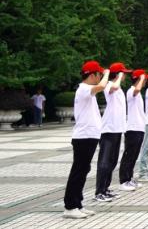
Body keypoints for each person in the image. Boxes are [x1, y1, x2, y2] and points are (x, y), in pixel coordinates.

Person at [63, 61, 109, 219]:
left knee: (83, 171)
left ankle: (77, 204)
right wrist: (107, 73)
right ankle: (70, 206)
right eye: (99, 74)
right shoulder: (83, 89)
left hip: (89, 137)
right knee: (78, 171)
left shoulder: (87, 91)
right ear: (92, 75)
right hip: (83, 137)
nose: (100, 77)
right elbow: (102, 86)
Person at [95, 62, 129, 202]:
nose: (125, 76)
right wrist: (119, 76)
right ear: (118, 74)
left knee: (113, 161)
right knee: (105, 161)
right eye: (123, 73)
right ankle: (99, 191)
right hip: (108, 130)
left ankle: (105, 188)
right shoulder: (109, 85)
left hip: (117, 129)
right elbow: (113, 87)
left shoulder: (119, 88)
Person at [119, 69, 146, 192]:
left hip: (139, 128)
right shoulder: (131, 91)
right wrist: (141, 78)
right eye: (143, 79)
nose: (145, 81)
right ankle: (123, 180)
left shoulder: (138, 93)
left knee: (134, 155)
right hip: (132, 128)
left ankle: (129, 178)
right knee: (129, 155)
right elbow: (136, 90)